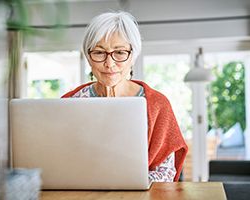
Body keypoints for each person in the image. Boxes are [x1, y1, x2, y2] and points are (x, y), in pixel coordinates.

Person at [62, 11, 188, 182]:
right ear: (88, 57)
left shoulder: (157, 104)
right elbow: (59, 162)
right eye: (99, 53)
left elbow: (165, 173)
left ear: (133, 57)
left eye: (120, 53)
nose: (109, 63)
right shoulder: (69, 103)